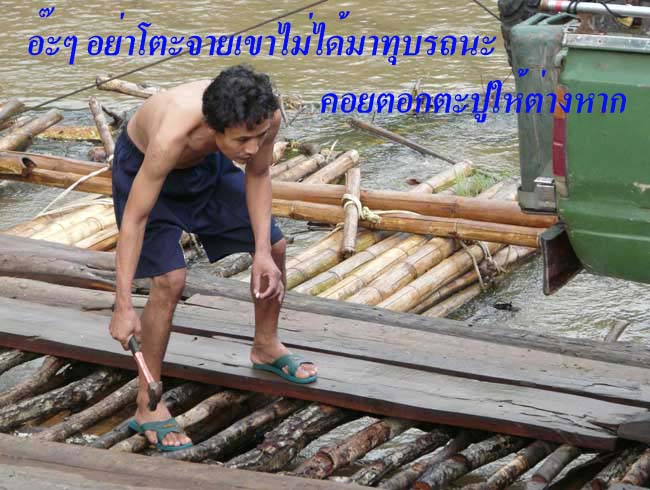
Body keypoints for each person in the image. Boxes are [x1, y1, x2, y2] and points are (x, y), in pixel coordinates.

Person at [108, 65, 318, 452]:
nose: (252, 148)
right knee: (170, 279)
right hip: (145, 166)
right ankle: (147, 404)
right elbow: (135, 219)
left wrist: (260, 251)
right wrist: (122, 305)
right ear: (212, 127)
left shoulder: (264, 116)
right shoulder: (172, 133)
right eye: (242, 140)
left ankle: (266, 345)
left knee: (275, 248)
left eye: (258, 137)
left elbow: (258, 174)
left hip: (206, 164)